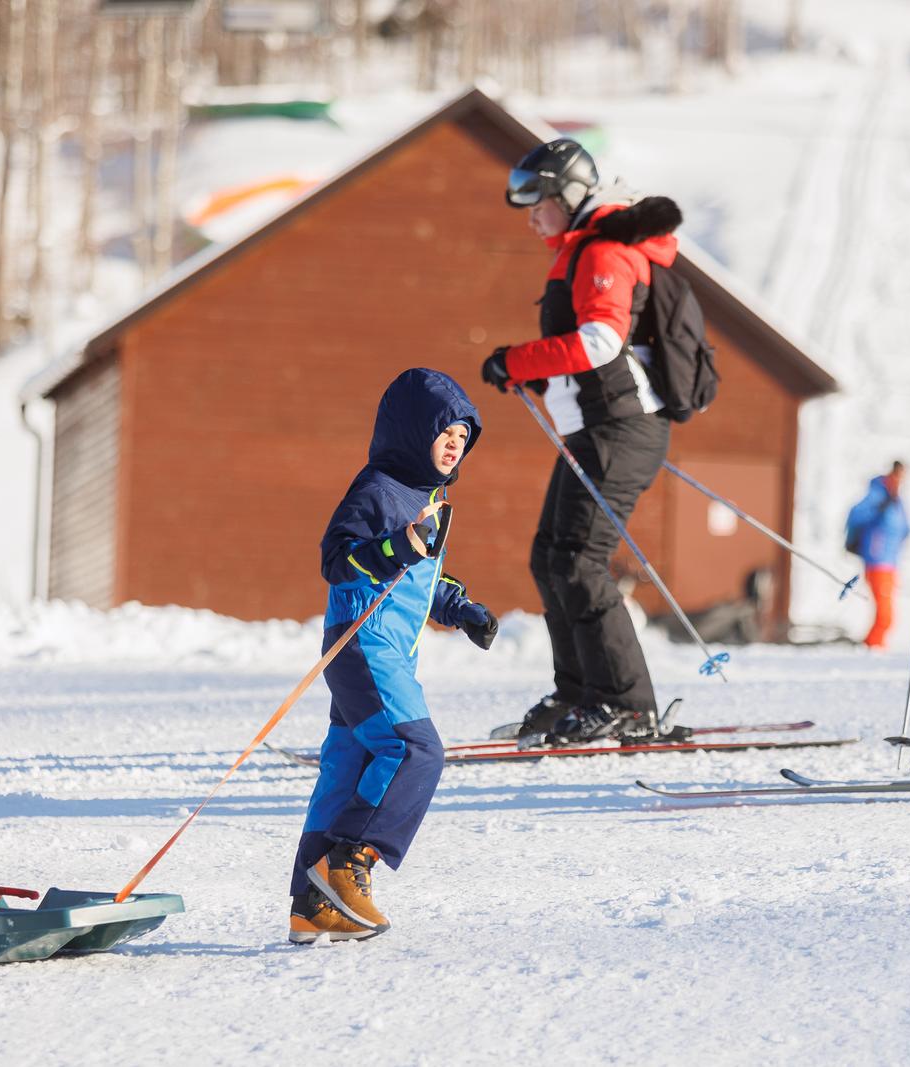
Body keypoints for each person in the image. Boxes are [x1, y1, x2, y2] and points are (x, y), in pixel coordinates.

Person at [480, 138, 685, 744]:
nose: (530, 214)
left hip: (621, 428)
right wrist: (538, 366)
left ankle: (627, 704)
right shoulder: (583, 250)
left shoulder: (601, 251)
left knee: (578, 561)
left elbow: (601, 342)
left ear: (567, 194)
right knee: (551, 558)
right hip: (596, 429)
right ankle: (581, 693)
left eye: (537, 199)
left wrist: (520, 360)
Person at [288, 368, 497, 944]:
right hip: (363, 640)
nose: (456, 444)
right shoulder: (378, 489)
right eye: (444, 432)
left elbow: (421, 576)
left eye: (464, 435)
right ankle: (350, 861)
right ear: (410, 433)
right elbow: (338, 558)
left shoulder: (429, 498)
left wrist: (459, 607)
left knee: (348, 766)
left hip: (388, 650)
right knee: (414, 749)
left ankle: (311, 904)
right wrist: (394, 546)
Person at [844, 462, 910, 648]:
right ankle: (871, 647)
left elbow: (905, 527)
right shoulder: (878, 494)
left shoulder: (897, 500)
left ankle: (873, 646)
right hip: (877, 560)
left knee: (887, 615)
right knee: (885, 615)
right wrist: (877, 510)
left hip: (890, 562)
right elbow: (856, 513)